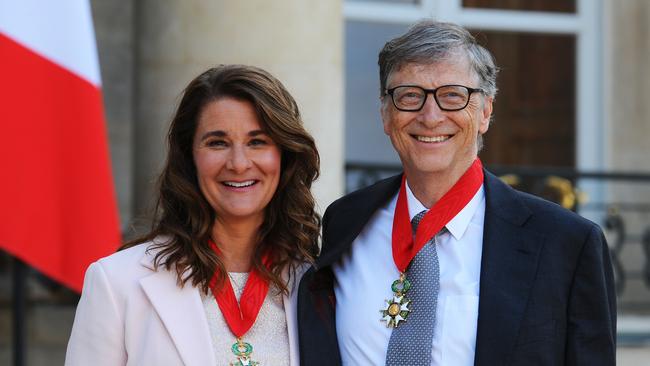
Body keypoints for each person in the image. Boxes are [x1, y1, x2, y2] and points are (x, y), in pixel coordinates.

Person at [298, 20, 616, 365]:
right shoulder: (346, 221)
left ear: (485, 112)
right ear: (386, 115)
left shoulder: (566, 244)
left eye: (453, 95)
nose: (431, 116)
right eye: (409, 96)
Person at [66, 64, 320, 366]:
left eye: (257, 142)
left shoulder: (317, 283)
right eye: (217, 143)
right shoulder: (116, 282)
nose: (239, 164)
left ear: (284, 155)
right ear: (190, 157)